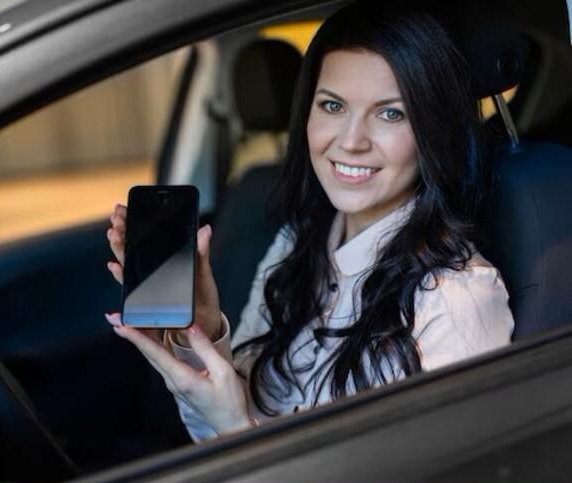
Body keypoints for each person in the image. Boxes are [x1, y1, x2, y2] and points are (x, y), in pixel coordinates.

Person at [104, 0, 514, 442]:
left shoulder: (456, 301)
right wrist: (202, 334)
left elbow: (436, 482)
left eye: (390, 113)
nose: (351, 141)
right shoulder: (295, 243)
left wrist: (238, 428)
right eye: (333, 106)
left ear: (432, 129)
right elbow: (217, 432)